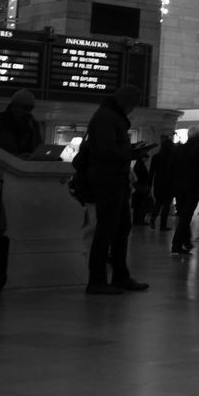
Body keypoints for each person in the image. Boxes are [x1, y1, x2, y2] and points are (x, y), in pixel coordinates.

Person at [79, 84, 150, 294]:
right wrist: (131, 154)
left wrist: (130, 152)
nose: (133, 109)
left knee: (121, 228)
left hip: (115, 178)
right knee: (106, 230)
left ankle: (120, 275)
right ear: (126, 101)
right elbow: (106, 151)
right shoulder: (106, 118)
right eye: (133, 104)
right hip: (107, 179)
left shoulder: (110, 116)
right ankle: (97, 280)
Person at [170, 127, 199, 255]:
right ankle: (176, 245)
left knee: (182, 215)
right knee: (185, 217)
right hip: (193, 188)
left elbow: (172, 168)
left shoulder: (178, 149)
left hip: (178, 187)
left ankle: (186, 242)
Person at [0, 89, 42, 157]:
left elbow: (38, 147)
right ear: (14, 107)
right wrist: (16, 157)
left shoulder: (33, 125)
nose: (28, 112)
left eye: (30, 109)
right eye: (25, 108)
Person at [149, 138, 173, 232]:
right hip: (169, 184)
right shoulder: (172, 157)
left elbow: (151, 172)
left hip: (158, 183)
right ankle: (163, 225)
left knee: (158, 203)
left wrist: (149, 184)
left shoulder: (156, 157)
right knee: (166, 205)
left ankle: (153, 219)